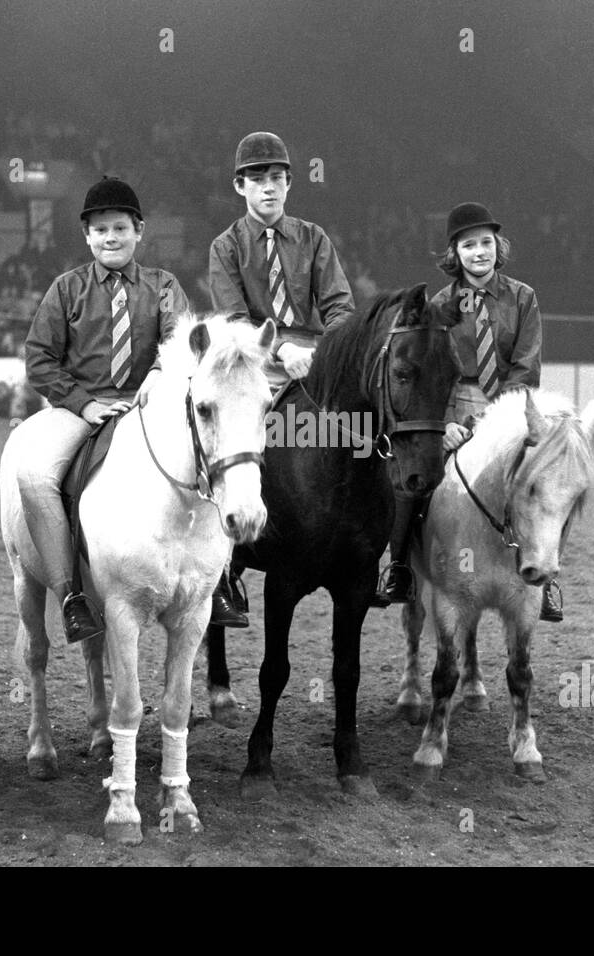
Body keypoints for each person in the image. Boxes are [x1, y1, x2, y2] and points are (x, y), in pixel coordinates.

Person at [17, 177, 192, 644]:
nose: (110, 238)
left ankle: (214, 586)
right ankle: (71, 594)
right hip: (80, 407)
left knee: (212, 458)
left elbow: (178, 341)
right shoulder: (66, 288)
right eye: (100, 230)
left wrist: (157, 376)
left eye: (119, 228)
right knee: (34, 477)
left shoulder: (164, 286)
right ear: (86, 236)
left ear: (139, 232)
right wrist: (83, 403)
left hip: (149, 406)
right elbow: (39, 358)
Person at [208, 131, 356, 622]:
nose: (267, 188)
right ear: (240, 187)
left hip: (313, 363)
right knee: (232, 445)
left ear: (289, 183)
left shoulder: (314, 239)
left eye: (276, 178)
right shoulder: (226, 247)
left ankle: (369, 552)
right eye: (257, 179)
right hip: (255, 365)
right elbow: (232, 320)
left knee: (366, 431)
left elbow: (339, 308)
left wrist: (327, 354)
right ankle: (225, 570)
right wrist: (282, 349)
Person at [402, 202, 561, 621]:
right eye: (469, 245)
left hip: (506, 410)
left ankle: (546, 578)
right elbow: (430, 376)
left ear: (498, 246)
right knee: (412, 484)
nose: (479, 252)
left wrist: (495, 426)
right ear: (455, 253)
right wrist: (445, 426)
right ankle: (400, 566)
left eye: (485, 243)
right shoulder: (437, 306)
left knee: (546, 484)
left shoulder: (523, 298)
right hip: (452, 407)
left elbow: (526, 367)